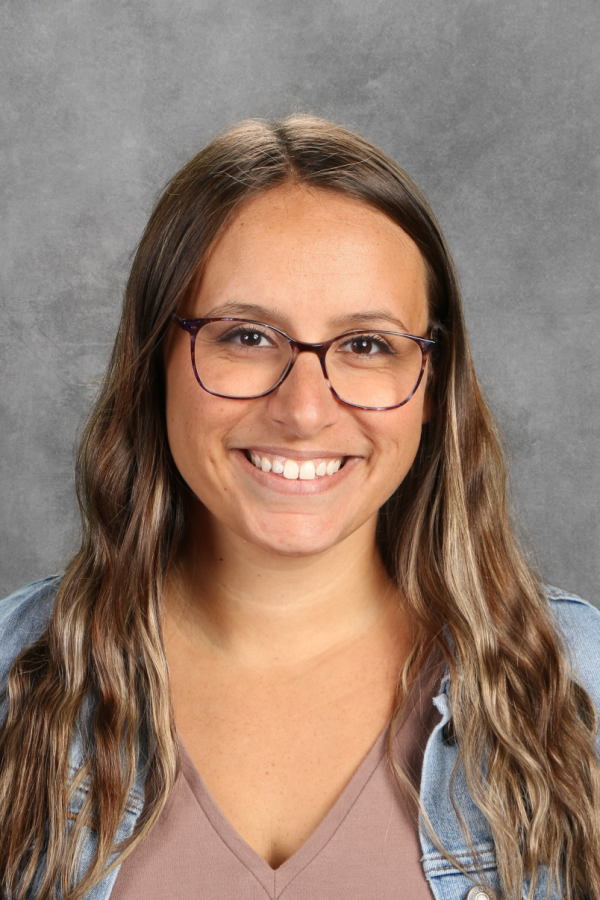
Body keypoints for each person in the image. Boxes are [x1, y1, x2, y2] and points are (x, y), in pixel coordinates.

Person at [0, 115, 598, 900]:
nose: (304, 410)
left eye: (368, 345)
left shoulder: (580, 686)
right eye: (247, 337)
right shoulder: (11, 682)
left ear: (432, 385)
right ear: (155, 360)